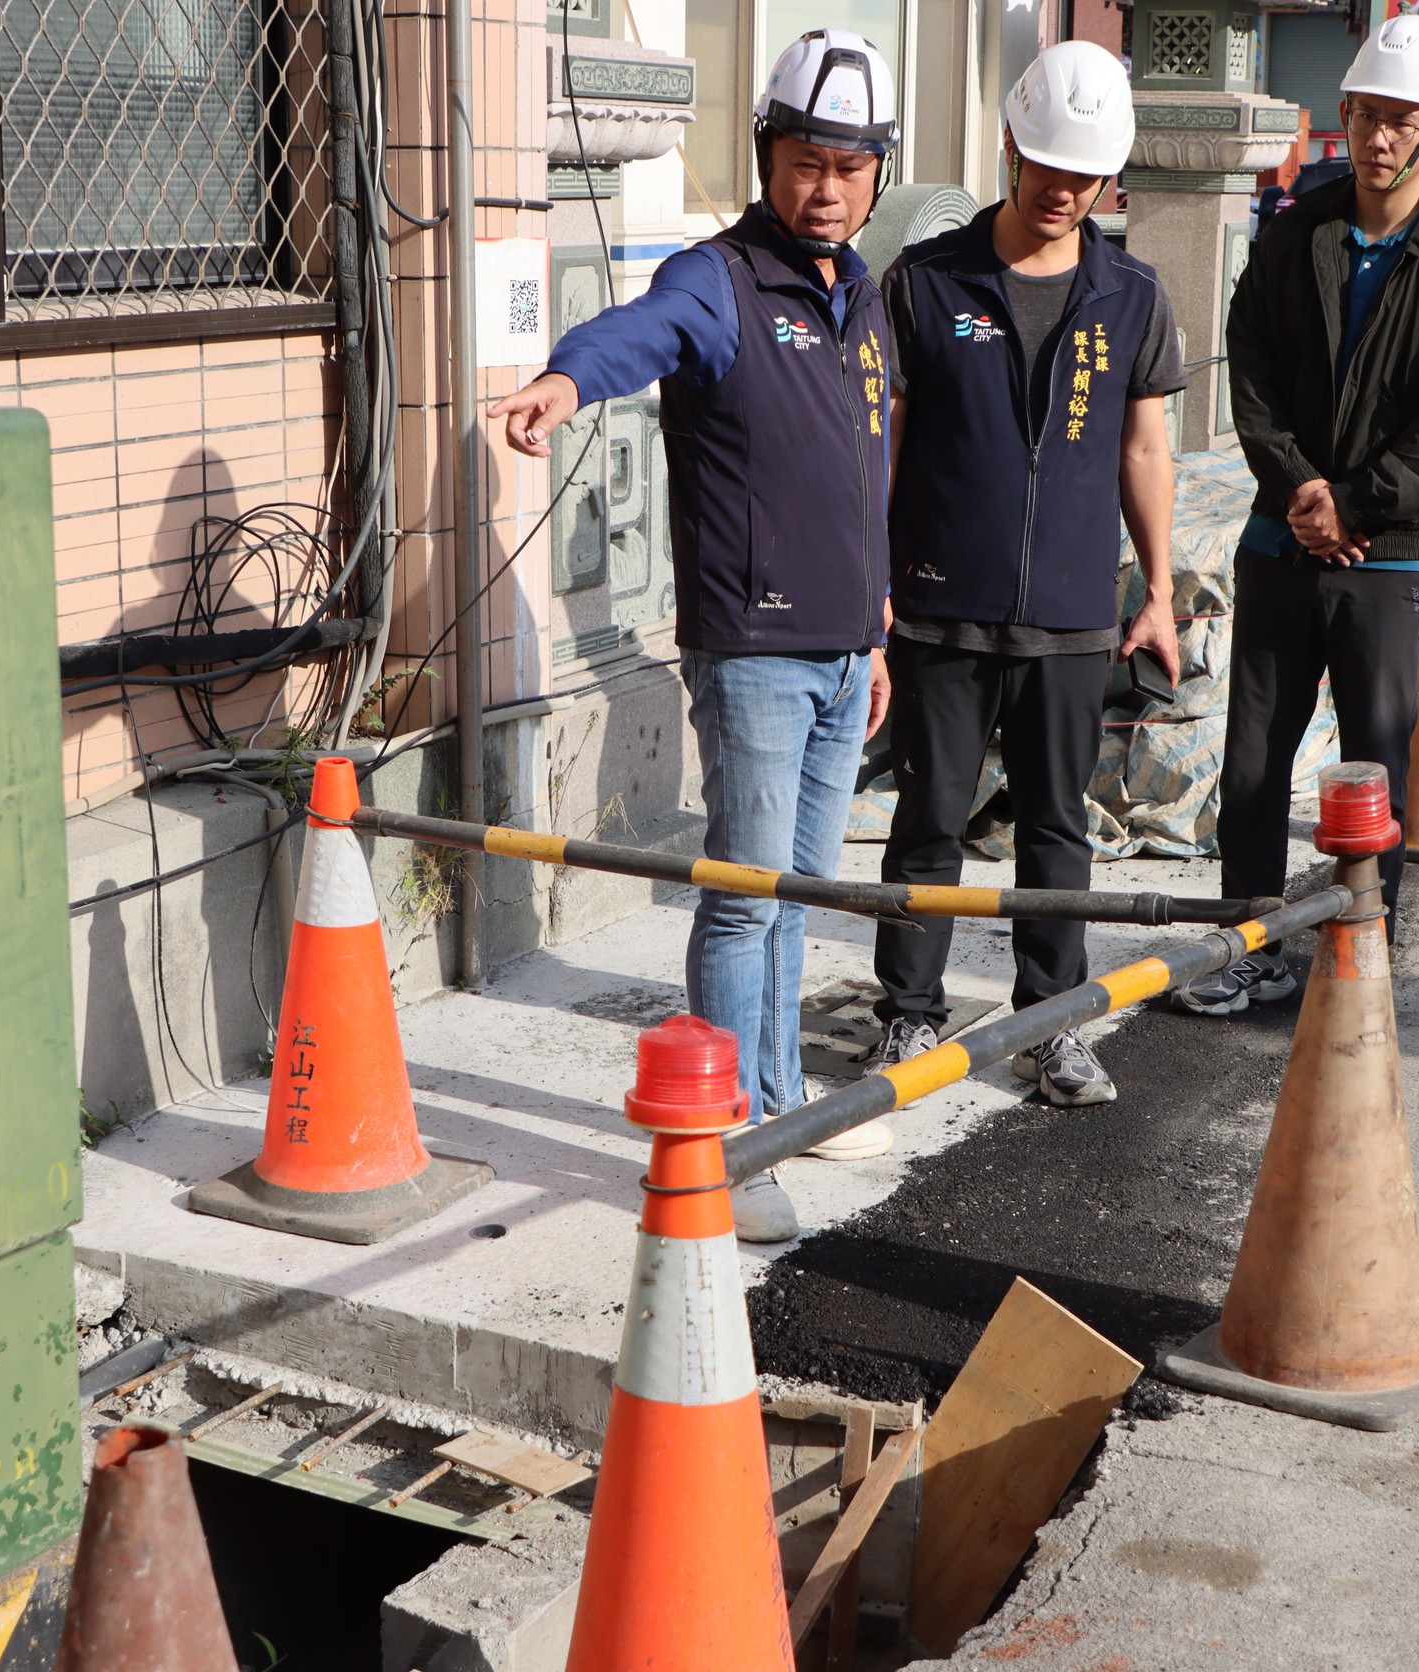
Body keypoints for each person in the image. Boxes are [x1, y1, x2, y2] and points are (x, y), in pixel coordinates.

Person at [488, 29, 901, 1241]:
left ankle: (776, 1105)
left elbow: (862, 473)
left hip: (840, 653)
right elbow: (641, 333)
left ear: (878, 171)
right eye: (804, 159)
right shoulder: (720, 282)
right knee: (742, 897)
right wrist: (565, 381)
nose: (824, 186)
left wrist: (875, 632)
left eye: (849, 163)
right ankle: (722, 1145)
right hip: (759, 652)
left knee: (798, 895)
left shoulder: (862, 295)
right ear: (768, 155)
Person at [856, 41, 1185, 1106]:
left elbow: (1143, 451)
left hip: (1075, 614)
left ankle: (1054, 1022)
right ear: (1009, 144)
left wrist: (1163, 592)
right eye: (1047, 165)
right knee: (929, 822)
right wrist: (878, 585)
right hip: (942, 601)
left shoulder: (1130, 295)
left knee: (1058, 829)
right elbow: (885, 445)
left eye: (1086, 175)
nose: (1064, 191)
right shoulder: (927, 281)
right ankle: (909, 1016)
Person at [1175, 13, 1419, 1015]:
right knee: (1251, 762)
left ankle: (1364, 947)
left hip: (1391, 560)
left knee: (1376, 767)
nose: (1376, 136)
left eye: (1398, 119)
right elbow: (1256, 378)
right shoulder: (1297, 234)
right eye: (1363, 113)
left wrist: (1354, 505)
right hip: (1281, 543)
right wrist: (1298, 496)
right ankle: (1244, 942)